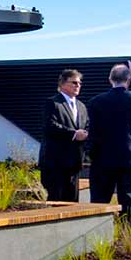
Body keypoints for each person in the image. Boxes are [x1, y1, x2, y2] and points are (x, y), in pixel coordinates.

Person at [85, 63, 131, 213]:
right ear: (129, 80)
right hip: (130, 157)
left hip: (102, 158)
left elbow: (92, 131)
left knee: (99, 202)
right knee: (129, 202)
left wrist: (90, 154)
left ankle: (100, 234)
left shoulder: (95, 102)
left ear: (110, 79)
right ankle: (128, 234)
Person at [39, 69, 88, 202]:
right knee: (55, 200)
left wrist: (86, 134)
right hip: (55, 162)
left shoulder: (81, 106)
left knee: (72, 202)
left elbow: (86, 125)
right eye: (74, 82)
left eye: (79, 83)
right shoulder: (53, 103)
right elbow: (50, 126)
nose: (78, 85)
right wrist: (73, 134)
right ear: (63, 84)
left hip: (75, 162)